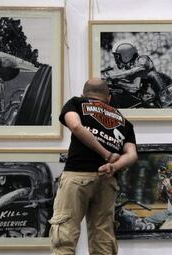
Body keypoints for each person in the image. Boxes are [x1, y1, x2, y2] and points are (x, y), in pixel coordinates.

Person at [49, 78, 138, 255]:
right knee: (103, 240)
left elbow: (75, 126)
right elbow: (132, 154)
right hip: (107, 180)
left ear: (84, 94)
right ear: (109, 98)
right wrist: (113, 165)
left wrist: (105, 154)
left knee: (64, 238)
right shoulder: (122, 120)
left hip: (77, 175)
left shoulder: (77, 102)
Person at [102, 41, 172, 108]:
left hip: (168, 86)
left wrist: (114, 78)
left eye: (117, 57)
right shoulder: (128, 68)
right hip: (149, 98)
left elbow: (134, 84)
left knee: (152, 74)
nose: (116, 60)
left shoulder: (141, 59)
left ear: (125, 55)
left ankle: (168, 102)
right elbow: (132, 85)